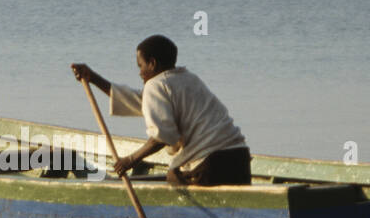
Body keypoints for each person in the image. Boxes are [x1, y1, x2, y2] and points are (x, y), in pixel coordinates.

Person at [71, 34, 251, 186]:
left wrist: (130, 160)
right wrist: (93, 78)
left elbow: (162, 137)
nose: (140, 72)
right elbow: (140, 101)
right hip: (240, 160)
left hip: (211, 165)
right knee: (172, 173)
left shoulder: (155, 85)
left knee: (173, 176)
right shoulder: (188, 79)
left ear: (152, 63)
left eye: (140, 65)